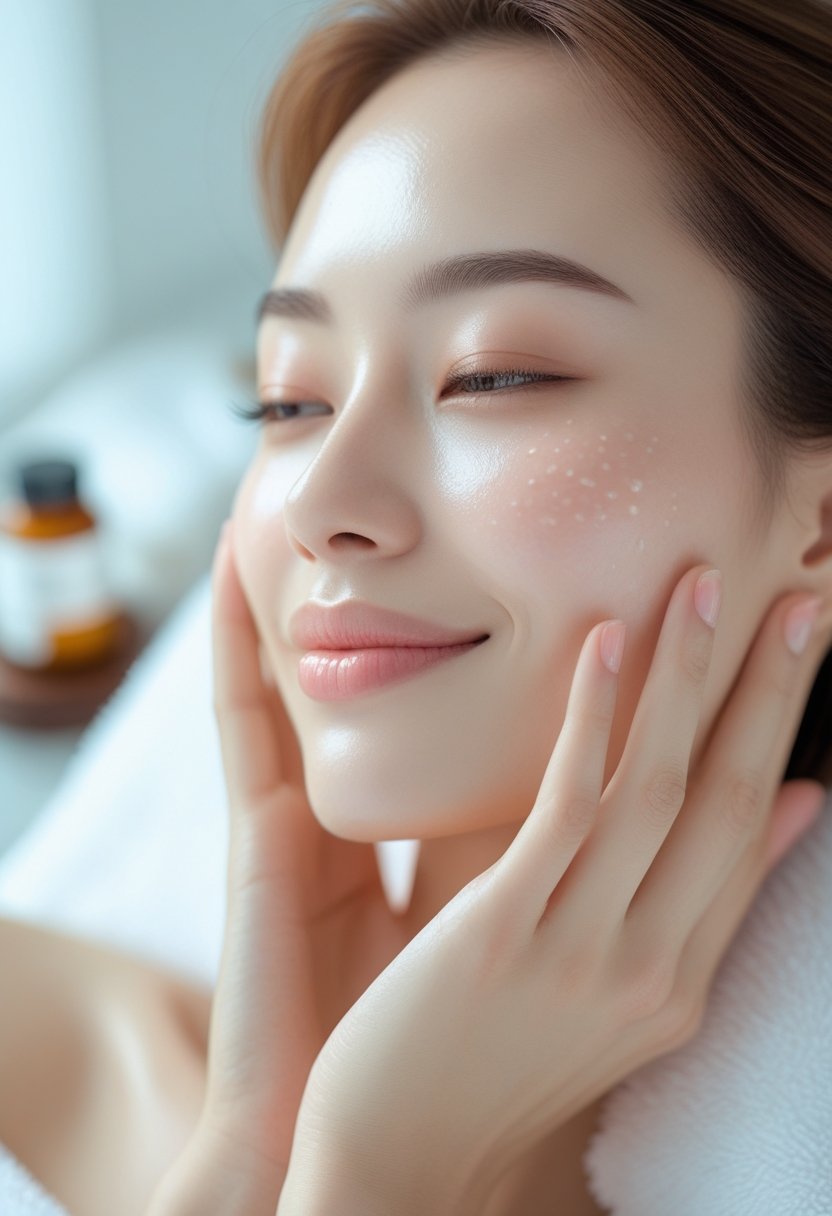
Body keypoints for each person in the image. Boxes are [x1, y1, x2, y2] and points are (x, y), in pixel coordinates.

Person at [1, 1, 831, 1213]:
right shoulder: (49, 1047)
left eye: (493, 374)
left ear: (817, 523)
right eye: (288, 401)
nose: (321, 500)